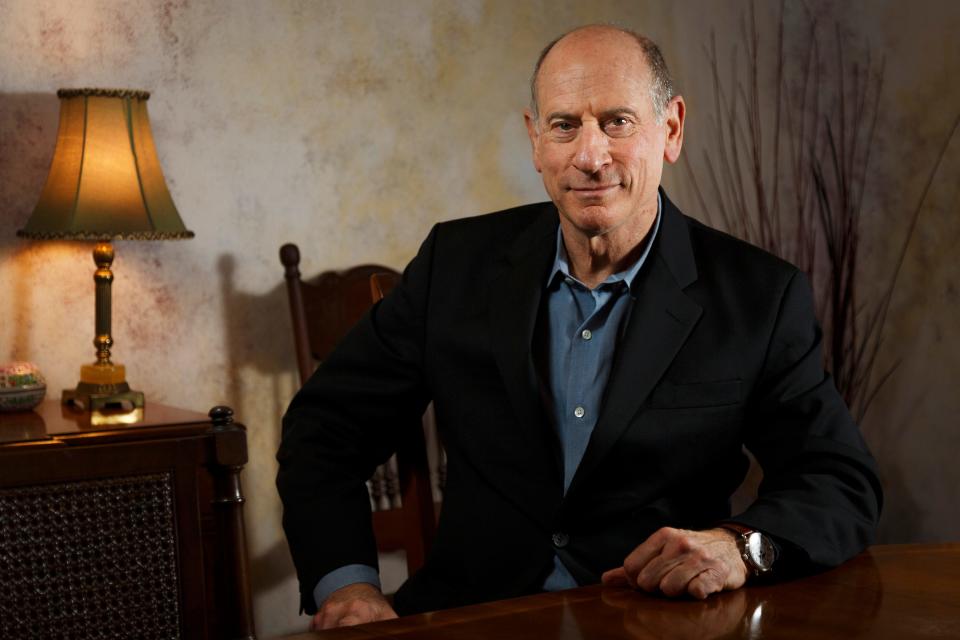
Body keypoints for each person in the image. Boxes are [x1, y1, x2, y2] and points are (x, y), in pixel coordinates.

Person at [276, 24, 882, 630]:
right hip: (475, 617)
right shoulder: (454, 265)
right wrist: (347, 585)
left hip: (657, 623)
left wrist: (743, 547)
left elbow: (838, 478)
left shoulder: (758, 296)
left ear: (670, 130)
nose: (590, 158)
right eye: (564, 125)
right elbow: (325, 428)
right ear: (535, 139)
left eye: (617, 121)